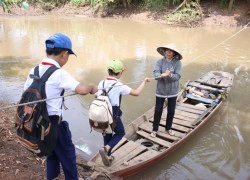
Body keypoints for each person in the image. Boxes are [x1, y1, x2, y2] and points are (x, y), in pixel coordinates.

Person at [23, 33, 97, 180]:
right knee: (68, 155)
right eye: (68, 55)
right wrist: (92, 87)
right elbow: (81, 90)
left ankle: (52, 177)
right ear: (64, 54)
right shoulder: (58, 73)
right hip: (54, 125)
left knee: (51, 152)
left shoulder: (34, 70)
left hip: (38, 124)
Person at [96, 59, 150, 166]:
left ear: (109, 71)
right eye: (122, 71)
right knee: (120, 133)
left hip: (100, 113)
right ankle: (106, 148)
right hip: (112, 114)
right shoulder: (119, 85)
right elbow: (136, 93)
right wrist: (144, 81)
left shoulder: (101, 83)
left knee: (107, 134)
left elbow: (97, 96)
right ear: (119, 73)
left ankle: (108, 156)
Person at [151, 43, 182, 138]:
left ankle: (168, 128)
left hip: (173, 91)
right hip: (161, 90)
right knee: (158, 110)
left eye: (171, 51)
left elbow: (178, 76)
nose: (169, 52)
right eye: (167, 50)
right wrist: (161, 75)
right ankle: (154, 130)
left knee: (171, 111)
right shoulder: (159, 62)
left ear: (174, 53)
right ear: (164, 51)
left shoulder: (177, 63)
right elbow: (155, 75)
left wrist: (170, 75)